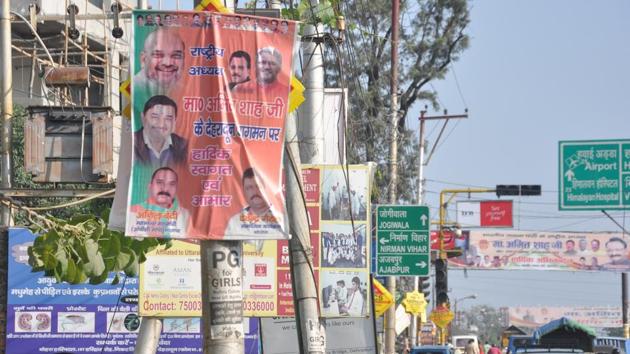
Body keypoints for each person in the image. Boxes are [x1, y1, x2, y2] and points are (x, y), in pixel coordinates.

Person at [129, 167, 190, 237]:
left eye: (172, 184)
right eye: (159, 182)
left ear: (176, 189)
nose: (165, 188)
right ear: (150, 186)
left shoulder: (185, 215)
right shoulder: (132, 212)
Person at [224, 167, 285, 238]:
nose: (255, 192)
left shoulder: (281, 218)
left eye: (258, 186)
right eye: (249, 188)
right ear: (243, 191)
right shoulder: (234, 221)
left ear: (266, 189)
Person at [134, 95, 188, 167]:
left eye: (168, 118)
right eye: (155, 117)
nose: (161, 124)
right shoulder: (131, 142)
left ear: (175, 122)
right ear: (143, 118)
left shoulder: (183, 146)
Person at [134, 29, 185, 98]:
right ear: (143, 60)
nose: (168, 63)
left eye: (176, 55)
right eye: (158, 55)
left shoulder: (185, 89)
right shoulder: (135, 88)